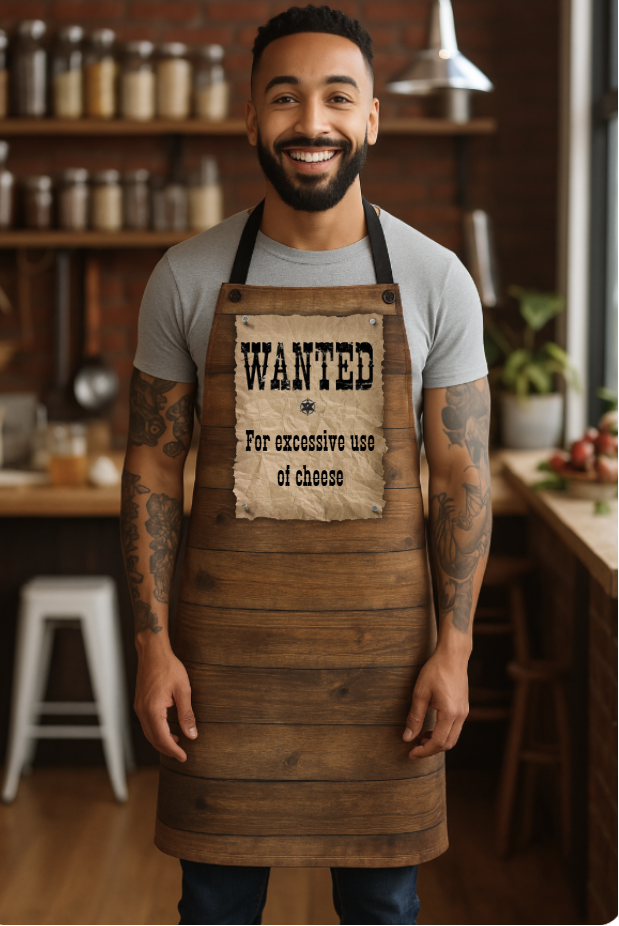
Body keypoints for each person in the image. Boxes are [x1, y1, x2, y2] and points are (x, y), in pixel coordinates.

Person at [120, 6, 491, 925]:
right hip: (225, 667)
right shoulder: (186, 276)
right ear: (250, 118)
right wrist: (152, 646)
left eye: (337, 97)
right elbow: (153, 472)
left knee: (382, 907)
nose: (310, 122)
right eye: (284, 98)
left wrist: (455, 648)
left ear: (371, 118)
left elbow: (460, 477)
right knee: (213, 907)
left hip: (383, 665)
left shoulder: (436, 279)